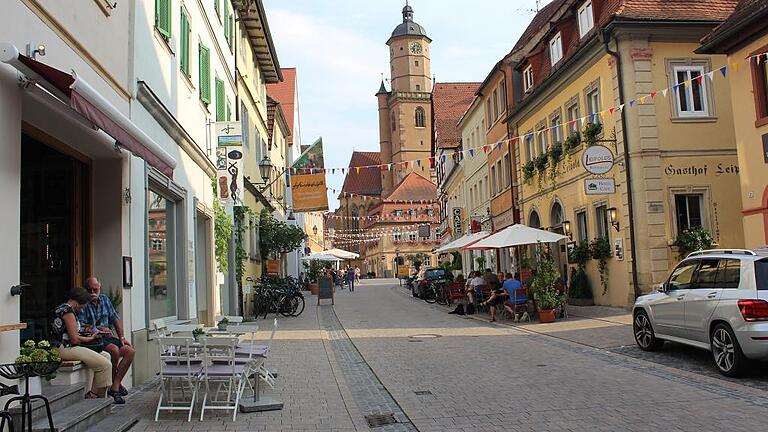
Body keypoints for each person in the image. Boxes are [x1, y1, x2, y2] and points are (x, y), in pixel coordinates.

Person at [51, 288, 115, 402]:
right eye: (82, 305)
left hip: (67, 346)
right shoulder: (67, 312)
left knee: (106, 355)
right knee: (105, 365)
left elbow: (71, 334)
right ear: (76, 302)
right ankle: (99, 399)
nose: (82, 308)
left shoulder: (63, 309)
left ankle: (93, 394)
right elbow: (74, 339)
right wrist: (90, 338)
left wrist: (89, 336)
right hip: (63, 348)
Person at [79, 277, 134, 404]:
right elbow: (81, 326)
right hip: (93, 339)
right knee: (113, 350)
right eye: (90, 289)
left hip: (107, 337)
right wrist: (96, 329)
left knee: (129, 351)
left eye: (95, 289)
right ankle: (115, 387)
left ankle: (115, 385)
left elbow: (115, 318)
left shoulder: (104, 299)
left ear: (100, 286)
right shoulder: (83, 303)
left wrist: (122, 338)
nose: (93, 292)